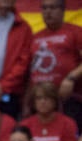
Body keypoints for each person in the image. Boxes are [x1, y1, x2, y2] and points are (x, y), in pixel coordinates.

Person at [30, 0, 82, 128]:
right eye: (45, 8)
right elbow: (29, 71)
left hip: (69, 99)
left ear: (63, 10)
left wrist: (71, 78)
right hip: (40, 100)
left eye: (53, 8)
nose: (48, 12)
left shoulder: (76, 32)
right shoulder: (35, 37)